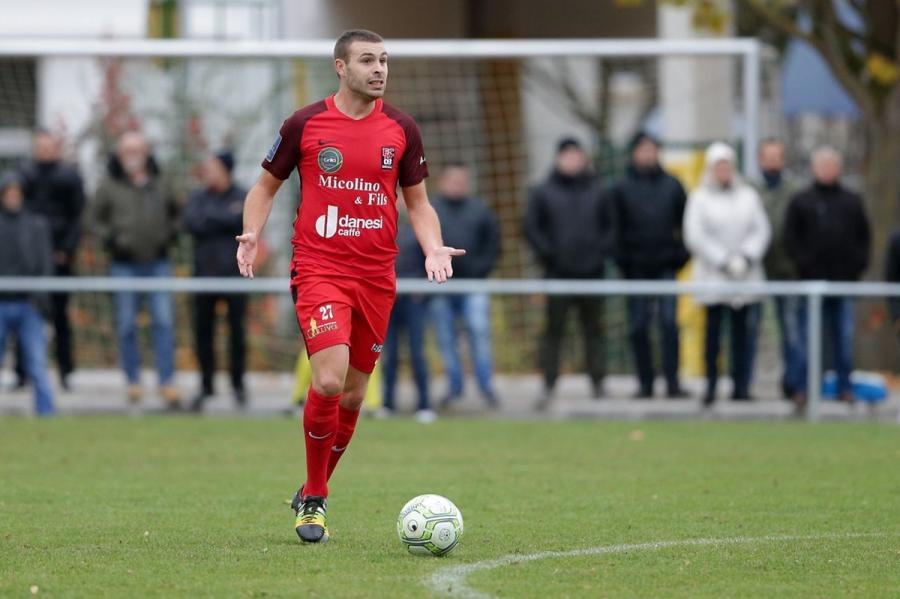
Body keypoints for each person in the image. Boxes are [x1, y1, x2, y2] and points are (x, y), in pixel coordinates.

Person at [235, 29, 463, 544]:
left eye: (384, 60)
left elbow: (419, 202)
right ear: (341, 67)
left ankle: (311, 487)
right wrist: (252, 232)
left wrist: (432, 247)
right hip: (319, 268)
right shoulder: (305, 123)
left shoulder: (402, 128)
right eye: (367, 60)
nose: (379, 69)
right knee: (331, 380)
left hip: (376, 276)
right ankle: (316, 497)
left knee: (356, 395)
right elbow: (264, 186)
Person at [89, 131, 182, 408]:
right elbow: (92, 219)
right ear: (119, 155)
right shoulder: (109, 186)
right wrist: (112, 238)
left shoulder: (161, 182)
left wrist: (168, 235)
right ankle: (133, 382)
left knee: (163, 322)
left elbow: (179, 214)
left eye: (138, 150)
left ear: (146, 153)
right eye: (127, 151)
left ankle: (166, 382)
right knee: (126, 324)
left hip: (158, 263)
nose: (133, 156)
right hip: (123, 265)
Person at [524, 137, 609, 409]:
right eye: (567, 156)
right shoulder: (543, 191)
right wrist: (550, 255)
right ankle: (548, 384)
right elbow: (531, 228)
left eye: (576, 156)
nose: (572, 161)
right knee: (553, 332)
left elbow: (610, 228)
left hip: (592, 274)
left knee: (594, 330)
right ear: (559, 159)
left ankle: (598, 382)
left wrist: (597, 255)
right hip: (557, 275)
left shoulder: (597, 190)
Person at [683, 142, 771, 406]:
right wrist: (722, 260)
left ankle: (741, 386)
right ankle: (710, 385)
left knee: (743, 335)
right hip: (714, 277)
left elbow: (761, 230)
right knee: (713, 335)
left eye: (727, 166)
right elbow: (695, 235)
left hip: (745, 277)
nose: (723, 171)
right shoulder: (699, 198)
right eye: (719, 167)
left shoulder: (748, 196)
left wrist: (745, 256)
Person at [784, 146, 870, 410]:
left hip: (843, 282)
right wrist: (805, 266)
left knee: (843, 339)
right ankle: (803, 389)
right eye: (822, 165)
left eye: (831, 165)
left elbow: (864, 238)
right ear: (814, 168)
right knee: (808, 339)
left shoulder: (852, 201)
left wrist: (854, 269)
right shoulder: (801, 201)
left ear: (839, 168)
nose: (827, 170)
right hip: (812, 284)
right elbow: (790, 239)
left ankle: (845, 387)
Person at [608, 131, 689, 399]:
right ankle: (645, 383)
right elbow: (613, 229)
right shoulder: (621, 188)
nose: (647, 154)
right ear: (634, 153)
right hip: (636, 270)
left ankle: (672, 383)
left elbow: (687, 225)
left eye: (651, 149)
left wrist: (679, 256)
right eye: (642, 149)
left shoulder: (672, 186)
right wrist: (624, 262)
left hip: (666, 267)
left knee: (668, 324)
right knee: (639, 326)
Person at [12, 130, 85, 390]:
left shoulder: (68, 177)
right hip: (28, 263)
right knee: (25, 315)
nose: (43, 150)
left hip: (59, 259)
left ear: (57, 148)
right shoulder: (24, 176)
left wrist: (65, 250)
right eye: (39, 146)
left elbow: (77, 217)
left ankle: (66, 373)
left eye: (48, 145)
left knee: (60, 317)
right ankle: (21, 375)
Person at [429, 163, 501, 409]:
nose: (457, 185)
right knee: (446, 339)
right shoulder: (430, 211)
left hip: (474, 284)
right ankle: (454, 387)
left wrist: (479, 270)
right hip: (440, 285)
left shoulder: (480, 210)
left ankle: (486, 387)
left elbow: (493, 245)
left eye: (462, 180)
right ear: (442, 182)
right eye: (453, 180)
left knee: (479, 333)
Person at [184, 151, 248, 412]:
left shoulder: (242, 195)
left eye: (213, 167)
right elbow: (191, 223)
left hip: (235, 275)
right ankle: (206, 385)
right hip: (203, 277)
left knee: (237, 333)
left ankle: (238, 384)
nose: (208, 172)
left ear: (226, 170)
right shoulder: (198, 197)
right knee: (203, 333)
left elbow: (242, 222)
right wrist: (224, 219)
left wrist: (214, 219)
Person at [0, 173, 55, 416]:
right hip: (1, 304)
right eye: (8, 194)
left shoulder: (37, 225)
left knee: (37, 362)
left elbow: (45, 264)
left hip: (29, 304)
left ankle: (46, 413)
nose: (13, 198)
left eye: (17, 194)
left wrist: (39, 299)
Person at [756, 138, 802, 398]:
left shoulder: (795, 190)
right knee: (750, 331)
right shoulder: (749, 190)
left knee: (791, 331)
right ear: (760, 159)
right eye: (768, 156)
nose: (773, 161)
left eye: (777, 156)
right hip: (753, 272)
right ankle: (742, 386)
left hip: (787, 272)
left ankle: (792, 385)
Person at [381, 213, 433, 422]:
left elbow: (431, 258)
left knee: (417, 352)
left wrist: (423, 290)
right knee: (389, 353)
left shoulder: (420, 228)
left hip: (414, 300)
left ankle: (424, 405)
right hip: (387, 300)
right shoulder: (378, 225)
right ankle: (388, 404)